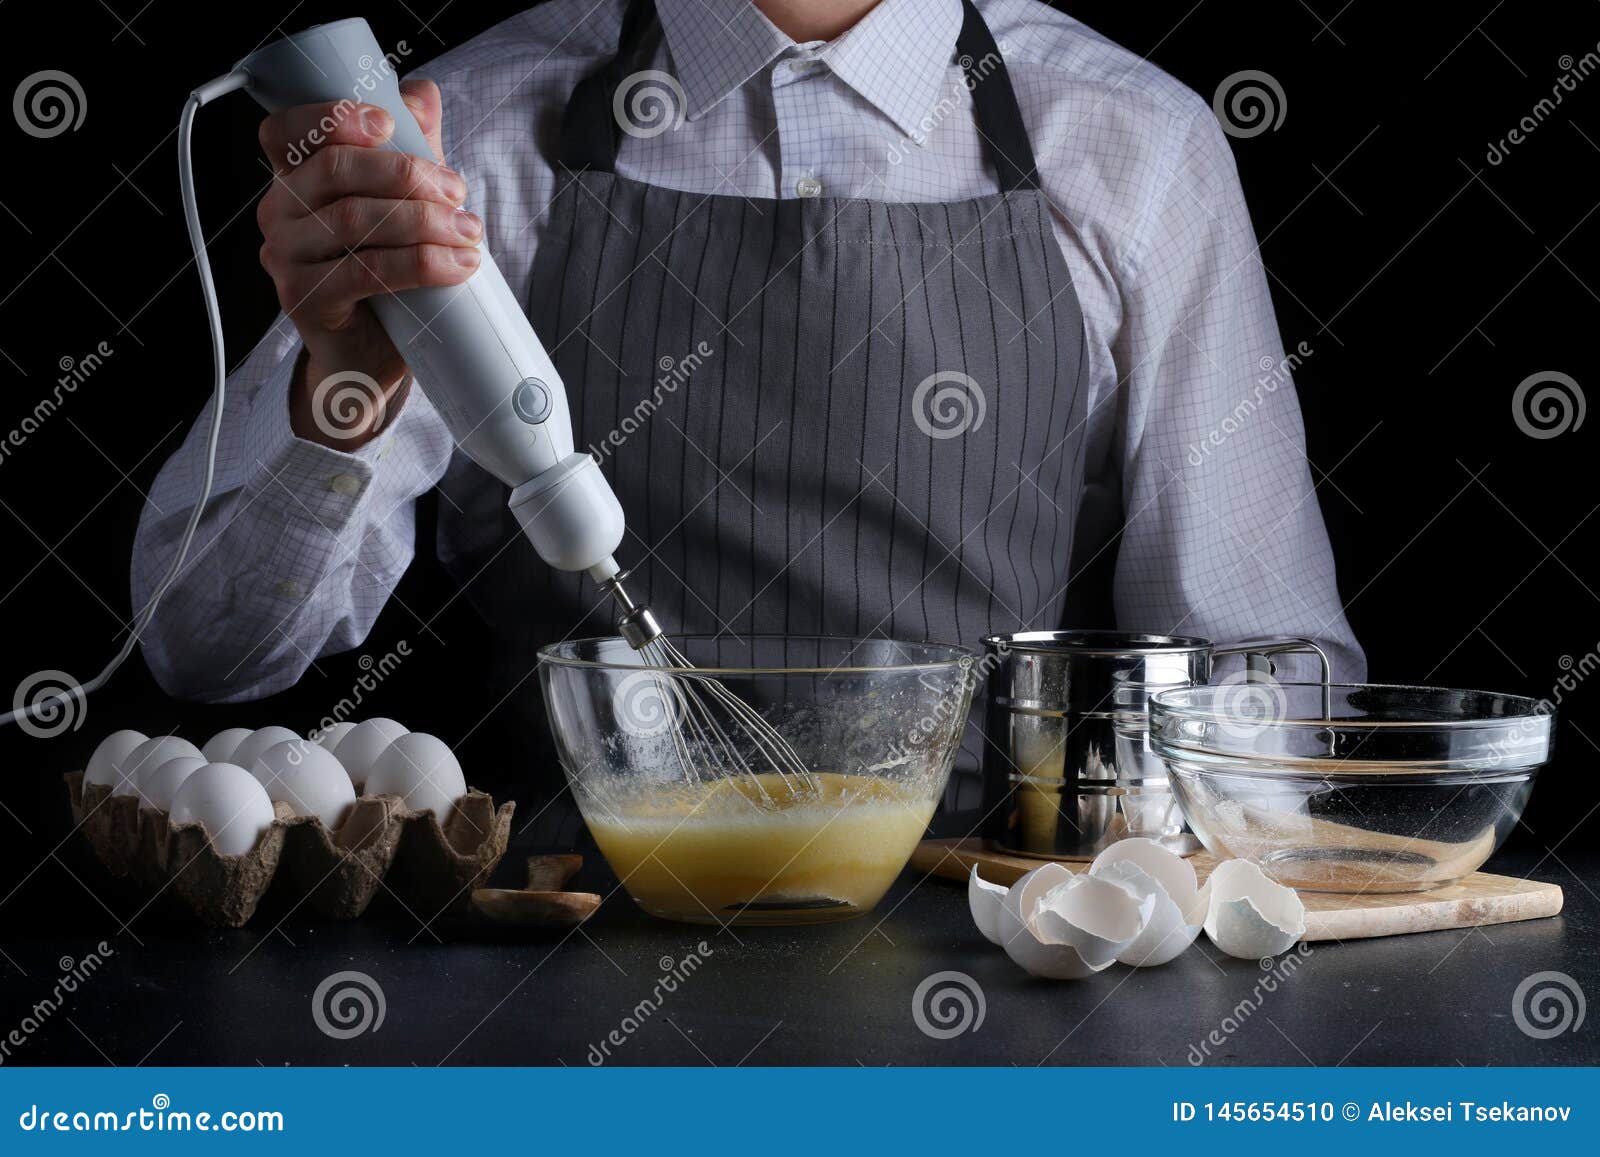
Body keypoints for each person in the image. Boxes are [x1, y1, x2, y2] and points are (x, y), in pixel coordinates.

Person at [133, 0, 1363, 749]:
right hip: (560, 962)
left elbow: (1268, 673)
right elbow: (208, 653)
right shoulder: (473, 141)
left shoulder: (1136, 143)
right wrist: (344, 391)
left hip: (997, 951)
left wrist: (1138, 875)